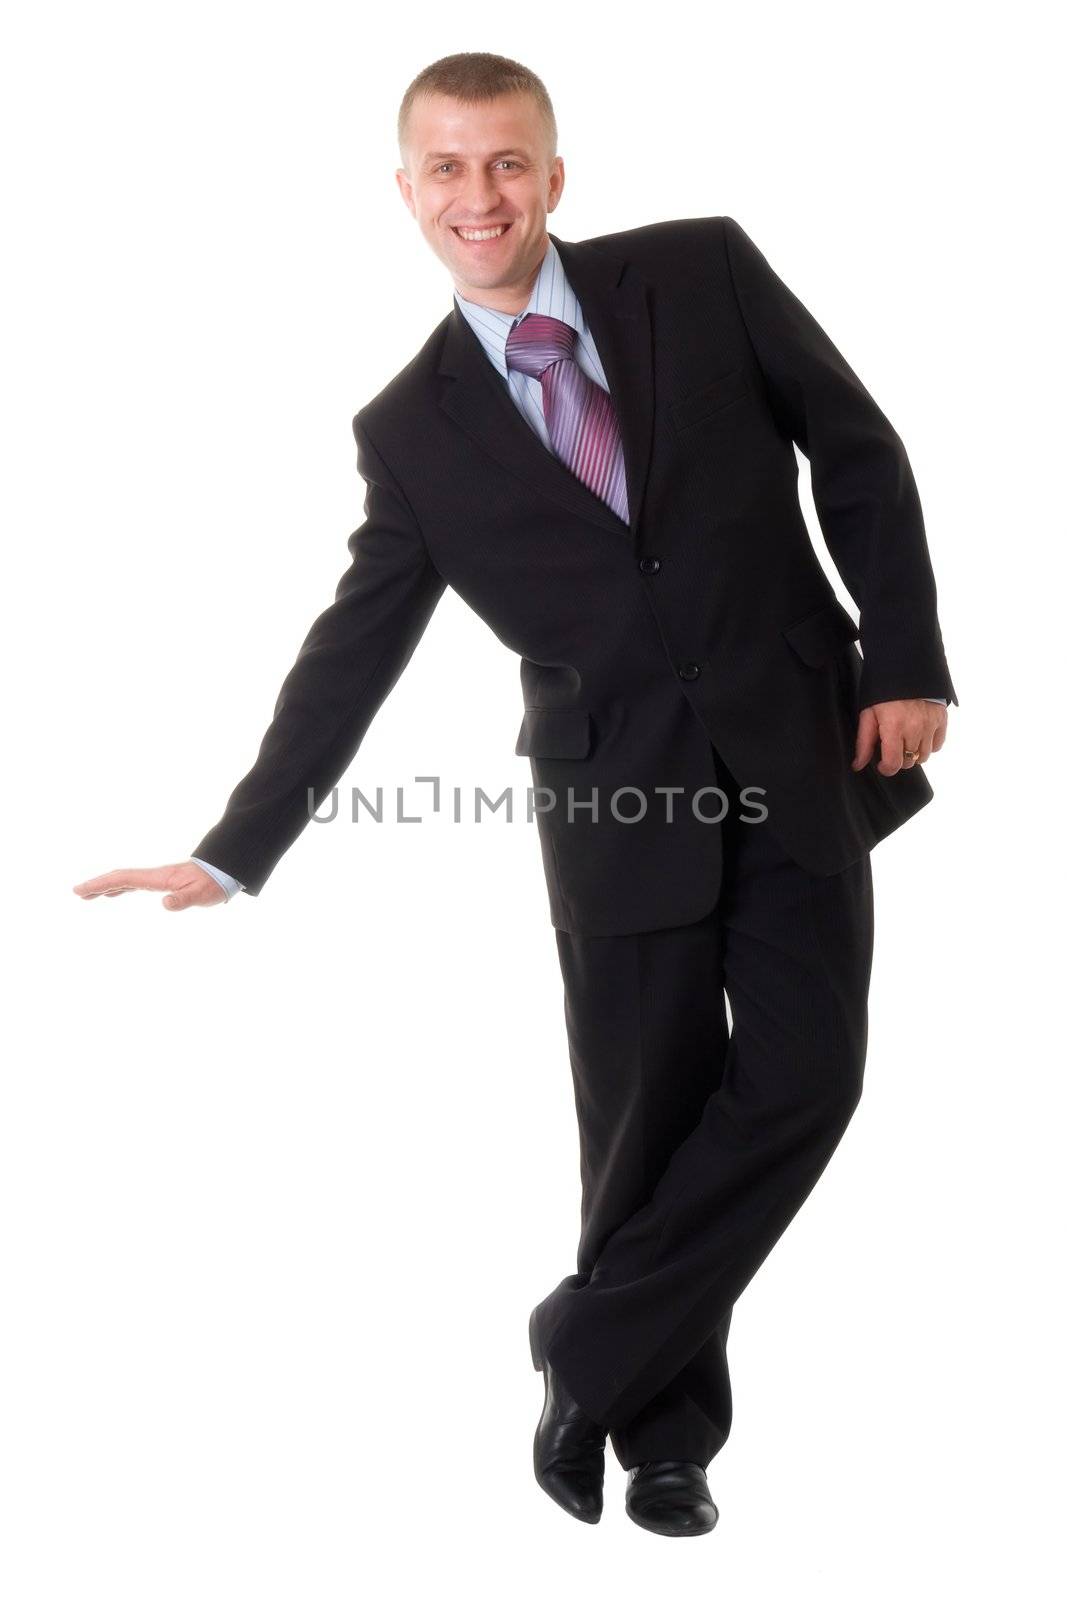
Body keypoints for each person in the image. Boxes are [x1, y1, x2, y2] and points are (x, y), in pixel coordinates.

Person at [73, 51, 957, 1537]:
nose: (479, 196)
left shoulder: (702, 272)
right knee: (645, 1122)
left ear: (555, 175)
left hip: (802, 746)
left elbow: (857, 450)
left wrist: (901, 657)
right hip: (617, 810)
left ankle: (584, 1346)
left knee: (810, 1082)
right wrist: (234, 851)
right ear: (406, 190)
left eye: (507, 165)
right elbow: (351, 652)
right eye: (447, 169)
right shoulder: (409, 434)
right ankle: (664, 1443)